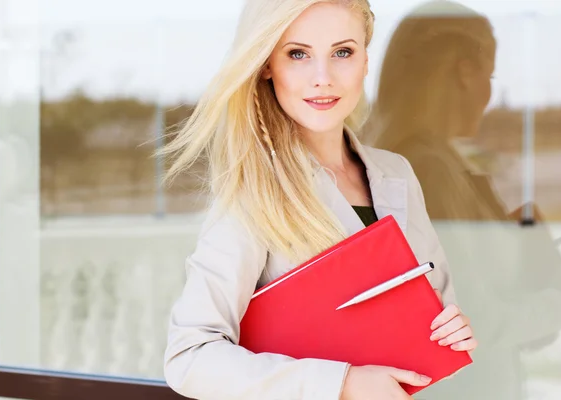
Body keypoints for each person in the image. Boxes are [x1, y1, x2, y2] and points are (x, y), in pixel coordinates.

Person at [160, 1, 477, 399]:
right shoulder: (252, 192)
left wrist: (449, 333)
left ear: (365, 60)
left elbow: (433, 313)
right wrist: (342, 384)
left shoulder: (397, 173)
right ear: (266, 66)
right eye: (298, 54)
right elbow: (189, 358)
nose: (323, 78)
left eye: (342, 52)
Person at [365, 1, 561, 399]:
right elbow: (473, 322)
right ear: (465, 74)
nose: (490, 92)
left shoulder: (429, 165)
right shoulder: (426, 171)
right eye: (491, 75)